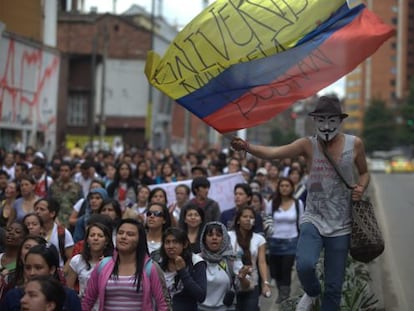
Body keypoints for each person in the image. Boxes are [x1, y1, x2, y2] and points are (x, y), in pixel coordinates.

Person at [231, 95, 369, 311]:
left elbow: (364, 173)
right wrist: (247, 147)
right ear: (314, 120)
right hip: (313, 217)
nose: (326, 125)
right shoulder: (308, 144)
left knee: (334, 286)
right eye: (321, 119)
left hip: (341, 224)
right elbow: (275, 153)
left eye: (331, 120)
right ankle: (312, 292)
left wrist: (361, 187)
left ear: (340, 120)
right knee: (304, 265)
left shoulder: (355, 144)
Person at [81, 218, 171, 311]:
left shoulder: (150, 268)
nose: (123, 237)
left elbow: (163, 304)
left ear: (140, 239)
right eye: (120, 233)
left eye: (130, 234)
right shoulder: (102, 265)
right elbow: (88, 300)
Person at [1, 244, 81, 310]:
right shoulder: (12, 297)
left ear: (52, 269)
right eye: (28, 267)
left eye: (38, 267)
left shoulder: (69, 297)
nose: (32, 273)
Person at [267, 177, 304, 304]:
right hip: (274, 242)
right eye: (282, 185)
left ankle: (284, 296)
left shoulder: (298, 204)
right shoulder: (272, 203)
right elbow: (267, 220)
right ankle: (281, 291)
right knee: (275, 271)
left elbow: (301, 223)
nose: (284, 188)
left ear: (292, 188)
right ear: (278, 187)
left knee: (286, 269)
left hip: (291, 241)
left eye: (287, 185)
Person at [198, 221, 249, 311]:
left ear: (224, 238)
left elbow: (246, 286)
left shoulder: (231, 259)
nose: (214, 238)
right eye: (210, 235)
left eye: (218, 235)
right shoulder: (196, 260)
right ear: (204, 239)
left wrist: (242, 278)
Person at [228, 206, 270, 311]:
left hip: (251, 284)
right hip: (231, 284)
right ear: (238, 220)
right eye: (245, 216)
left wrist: (265, 283)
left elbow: (262, 262)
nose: (248, 219)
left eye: (251, 217)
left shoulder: (259, 239)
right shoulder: (228, 236)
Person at [66, 223, 114, 310]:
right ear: (87, 240)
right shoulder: (77, 260)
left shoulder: (113, 262)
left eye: (100, 236)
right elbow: (69, 289)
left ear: (106, 241)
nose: (96, 238)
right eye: (92, 235)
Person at [159, 227, 207, 311]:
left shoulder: (196, 262)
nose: (171, 246)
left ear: (184, 244)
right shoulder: (158, 261)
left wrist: (183, 271)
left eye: (175, 242)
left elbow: (201, 296)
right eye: (167, 242)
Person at [34, 198, 74, 267]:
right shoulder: (32, 231)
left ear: (52, 213)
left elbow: (70, 258)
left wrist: (63, 273)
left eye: (42, 209)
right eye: (36, 209)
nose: (37, 212)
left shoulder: (63, 233)